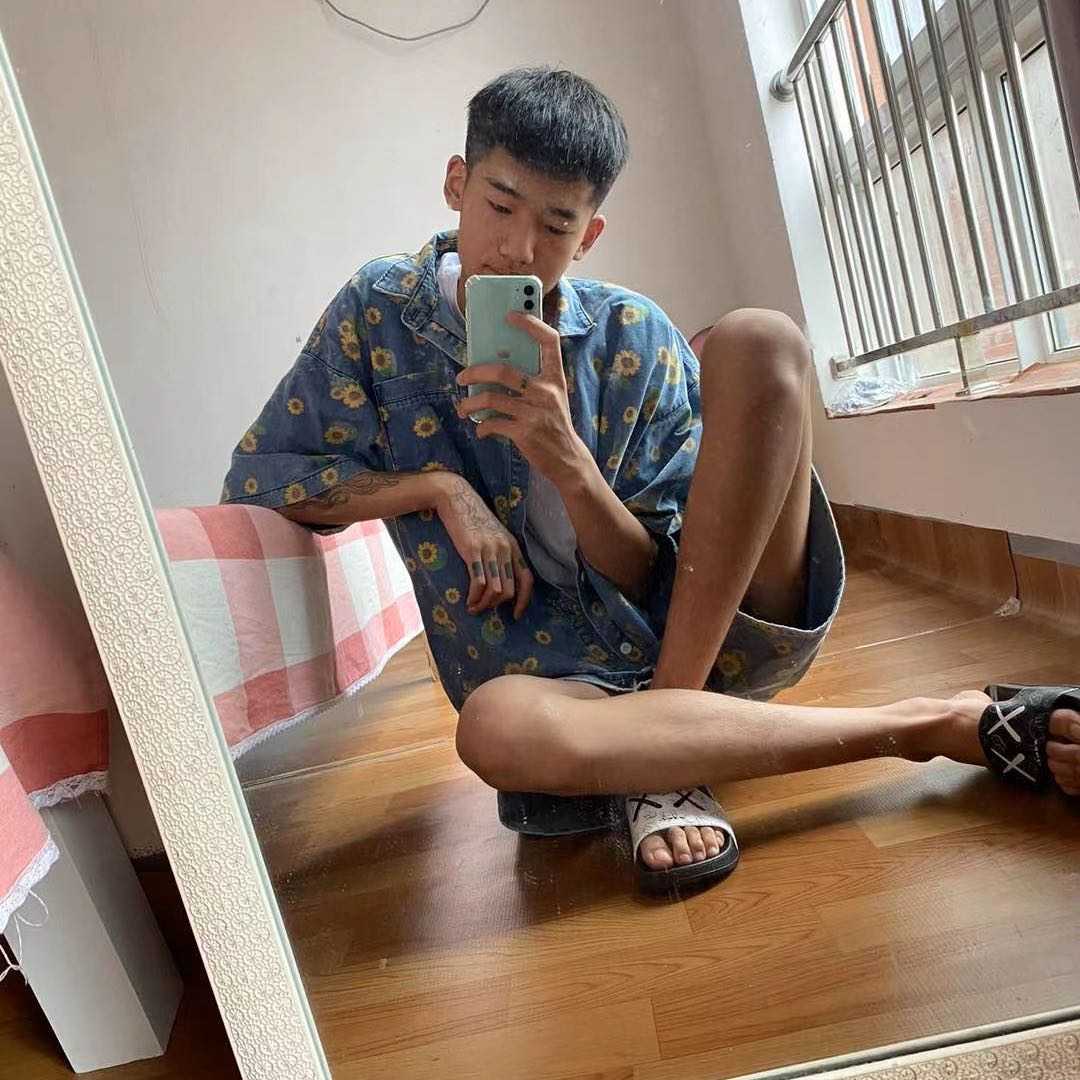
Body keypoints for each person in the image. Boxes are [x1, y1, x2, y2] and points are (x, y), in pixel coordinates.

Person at [222, 67, 1080, 894]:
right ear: (456, 183)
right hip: (551, 682)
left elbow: (655, 574)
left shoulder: (632, 332)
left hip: (698, 642)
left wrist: (567, 459)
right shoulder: (380, 312)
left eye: (556, 226)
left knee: (763, 339)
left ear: (590, 234)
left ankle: (667, 754)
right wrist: (442, 490)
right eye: (499, 206)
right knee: (489, 729)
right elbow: (265, 478)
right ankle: (930, 723)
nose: (519, 248)